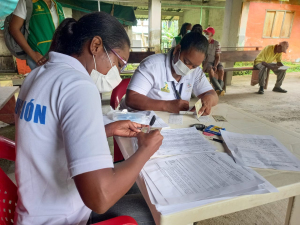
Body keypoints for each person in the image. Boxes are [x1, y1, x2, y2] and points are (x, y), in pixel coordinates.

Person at [14, 12, 163, 225]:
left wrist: (107, 129)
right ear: (95, 46)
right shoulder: (78, 86)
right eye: (119, 63)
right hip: (64, 218)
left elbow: (49, 136)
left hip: (34, 211)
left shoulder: (38, 74)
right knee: (157, 210)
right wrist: (145, 150)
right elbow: (100, 198)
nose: (117, 74)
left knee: (137, 183)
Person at [122, 32, 218, 116]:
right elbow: (131, 98)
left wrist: (208, 99)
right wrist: (167, 105)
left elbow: (213, 95)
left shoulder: (196, 72)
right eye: (186, 62)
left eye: (194, 66)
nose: (189, 68)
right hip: (137, 120)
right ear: (177, 50)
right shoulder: (152, 65)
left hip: (170, 122)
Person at [9, 0, 65, 69]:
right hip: (39, 58)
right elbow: (14, 28)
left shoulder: (58, 6)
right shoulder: (27, 2)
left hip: (58, 57)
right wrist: (32, 54)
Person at [202, 27, 225, 96]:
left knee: (221, 70)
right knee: (210, 70)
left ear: (211, 35)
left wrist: (215, 65)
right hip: (207, 62)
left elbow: (217, 57)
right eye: (205, 33)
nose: (205, 34)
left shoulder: (216, 43)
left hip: (216, 61)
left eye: (207, 33)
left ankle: (218, 89)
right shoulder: (203, 43)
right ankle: (220, 89)